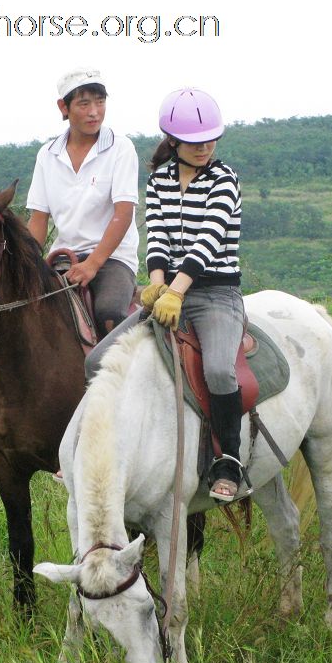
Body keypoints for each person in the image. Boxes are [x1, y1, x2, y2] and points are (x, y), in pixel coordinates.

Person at [142, 87, 246, 502]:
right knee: (104, 355)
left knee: (220, 369)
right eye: (194, 139)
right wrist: (155, 283)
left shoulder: (225, 179)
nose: (204, 146)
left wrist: (176, 292)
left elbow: (208, 241)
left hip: (216, 293)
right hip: (168, 289)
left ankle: (231, 460)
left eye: (210, 138)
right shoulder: (159, 181)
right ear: (173, 140)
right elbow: (158, 237)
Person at [26, 67, 139, 337]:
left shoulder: (120, 148)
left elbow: (122, 214)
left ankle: (116, 378)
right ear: (63, 107)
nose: (94, 112)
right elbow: (38, 219)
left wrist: (93, 264)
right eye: (84, 103)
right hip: (64, 258)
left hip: (112, 259)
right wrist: (27, 265)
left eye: (100, 102)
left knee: (109, 311)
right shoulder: (48, 155)